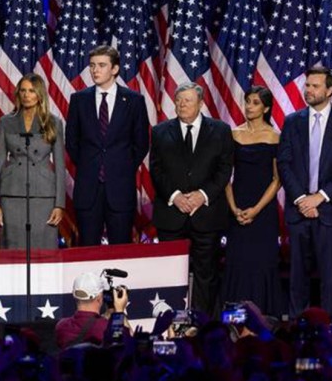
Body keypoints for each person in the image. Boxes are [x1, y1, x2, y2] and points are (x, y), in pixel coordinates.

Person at [277, 66, 332, 317]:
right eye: (307, 85)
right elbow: (284, 163)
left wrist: (319, 198)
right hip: (299, 209)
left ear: (330, 90)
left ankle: (329, 331)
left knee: (329, 276)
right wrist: (302, 199)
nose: (308, 90)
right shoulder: (292, 121)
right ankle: (296, 328)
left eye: (315, 86)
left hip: (330, 211)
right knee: (297, 274)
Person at [150, 82, 234, 314]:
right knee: (169, 272)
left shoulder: (220, 130)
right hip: (171, 215)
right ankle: (169, 320)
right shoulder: (160, 131)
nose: (181, 104)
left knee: (206, 273)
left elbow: (224, 169)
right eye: (178, 100)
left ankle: (201, 322)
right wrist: (176, 197)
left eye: (187, 100)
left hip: (206, 215)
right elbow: (156, 170)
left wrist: (202, 195)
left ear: (201, 103)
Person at [65, 45, 150, 246]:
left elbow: (141, 143)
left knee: (120, 249)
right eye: (92, 65)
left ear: (115, 69)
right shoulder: (79, 100)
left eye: (102, 65)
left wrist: (120, 166)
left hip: (120, 188)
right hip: (88, 189)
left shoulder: (133, 100)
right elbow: (72, 142)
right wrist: (89, 164)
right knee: (87, 248)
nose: (95, 70)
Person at [220, 86, 284, 316]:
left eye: (255, 102)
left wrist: (255, 210)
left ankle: (263, 316)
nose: (249, 106)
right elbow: (225, 176)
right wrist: (234, 208)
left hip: (263, 210)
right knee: (238, 261)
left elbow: (278, 180)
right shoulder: (233, 134)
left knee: (261, 262)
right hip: (236, 207)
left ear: (266, 108)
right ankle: (234, 316)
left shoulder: (275, 137)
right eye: (247, 101)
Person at [0, 74, 65, 250]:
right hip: (12, 194)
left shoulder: (54, 122)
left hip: (44, 196)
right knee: (13, 250)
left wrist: (59, 204)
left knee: (43, 249)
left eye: (31, 91)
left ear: (40, 94)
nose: (26, 95)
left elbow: (60, 166)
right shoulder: (6, 122)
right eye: (23, 90)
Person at [54, 272, 128, 349]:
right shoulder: (106, 327)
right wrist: (119, 311)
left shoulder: (61, 326)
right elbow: (126, 344)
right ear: (99, 299)